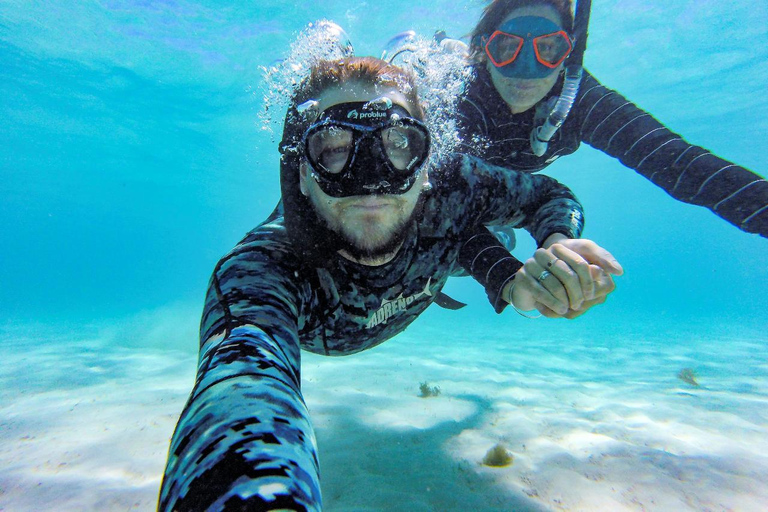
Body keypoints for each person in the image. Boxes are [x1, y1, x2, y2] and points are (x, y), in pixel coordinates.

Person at [158, 56, 621, 511]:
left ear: (425, 162)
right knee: (453, 228)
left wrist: (558, 245)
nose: (370, 180)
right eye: (335, 148)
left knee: (463, 224)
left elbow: (552, 194)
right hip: (430, 247)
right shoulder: (265, 266)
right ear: (302, 172)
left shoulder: (454, 183)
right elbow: (242, 379)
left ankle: (503, 274)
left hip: (439, 240)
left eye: (399, 143)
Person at [455, 0, 767, 239]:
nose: (525, 69)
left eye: (548, 49)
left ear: (568, 56)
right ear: (485, 50)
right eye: (507, 48)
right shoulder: (460, 93)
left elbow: (679, 164)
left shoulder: (578, 99)